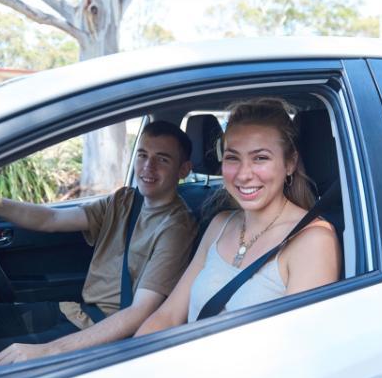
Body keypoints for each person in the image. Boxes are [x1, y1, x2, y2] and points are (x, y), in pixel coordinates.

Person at [0, 121, 198, 371]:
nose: (147, 167)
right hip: (76, 311)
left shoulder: (176, 227)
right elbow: (51, 218)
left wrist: (50, 350)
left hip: (102, 332)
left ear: (184, 169)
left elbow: (141, 312)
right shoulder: (125, 200)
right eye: (142, 155)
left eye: (162, 159)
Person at [136, 98, 341, 336]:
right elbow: (168, 315)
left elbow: (297, 352)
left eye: (260, 158)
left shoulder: (313, 240)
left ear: (290, 163)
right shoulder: (219, 224)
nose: (243, 175)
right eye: (233, 158)